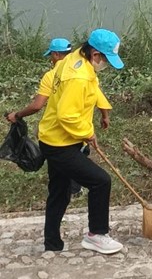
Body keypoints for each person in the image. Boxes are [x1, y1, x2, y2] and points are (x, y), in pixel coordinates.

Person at [37, 28, 124, 254]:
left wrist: (103, 110)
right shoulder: (78, 77)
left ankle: (52, 244)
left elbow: (93, 88)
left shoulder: (76, 57)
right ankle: (96, 235)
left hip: (54, 136)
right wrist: (87, 133)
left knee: (59, 192)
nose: (106, 65)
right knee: (100, 181)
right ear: (95, 54)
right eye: (106, 60)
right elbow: (66, 115)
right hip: (60, 144)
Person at [5, 38, 113, 196]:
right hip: (74, 134)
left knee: (67, 180)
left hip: (63, 136)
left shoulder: (59, 74)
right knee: (80, 171)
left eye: (51, 55)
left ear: (56, 54)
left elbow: (38, 105)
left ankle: (72, 191)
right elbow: (95, 95)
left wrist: (17, 115)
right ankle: (74, 190)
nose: (51, 58)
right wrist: (103, 117)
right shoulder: (83, 70)